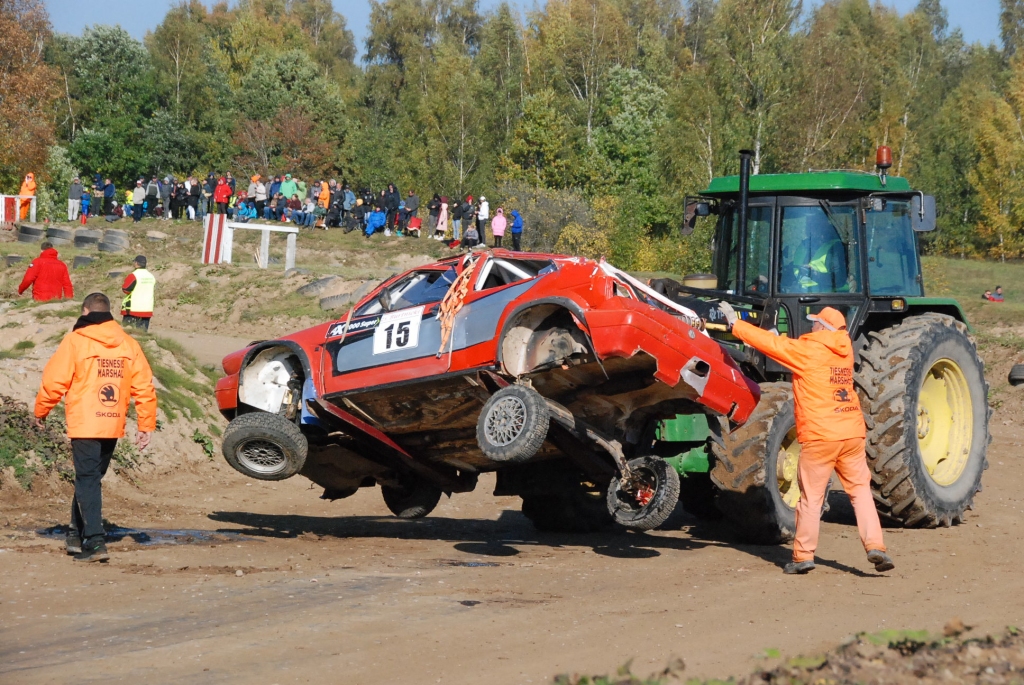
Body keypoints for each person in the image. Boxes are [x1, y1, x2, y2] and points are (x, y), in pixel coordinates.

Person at [718, 303, 894, 575]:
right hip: (851, 432)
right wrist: (780, 339)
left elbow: (771, 346)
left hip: (820, 435)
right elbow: (789, 348)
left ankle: (802, 556)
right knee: (860, 493)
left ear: (823, 327)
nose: (811, 325)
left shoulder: (809, 350)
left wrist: (735, 324)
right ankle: (876, 547)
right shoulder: (844, 351)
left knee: (810, 498)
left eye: (815, 322)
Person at [33, 292, 157, 562]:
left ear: (85, 311)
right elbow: (144, 387)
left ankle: (95, 541)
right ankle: (75, 535)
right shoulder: (128, 344)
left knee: (87, 479)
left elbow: (54, 381)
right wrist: (146, 423)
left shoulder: (75, 341)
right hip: (112, 421)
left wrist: (40, 411)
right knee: (89, 479)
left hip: (85, 422)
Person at [121, 256, 156, 331]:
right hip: (147, 310)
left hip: (132, 310)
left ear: (136, 263)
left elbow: (125, 289)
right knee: (142, 334)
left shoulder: (133, 275)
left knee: (127, 334)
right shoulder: (151, 276)